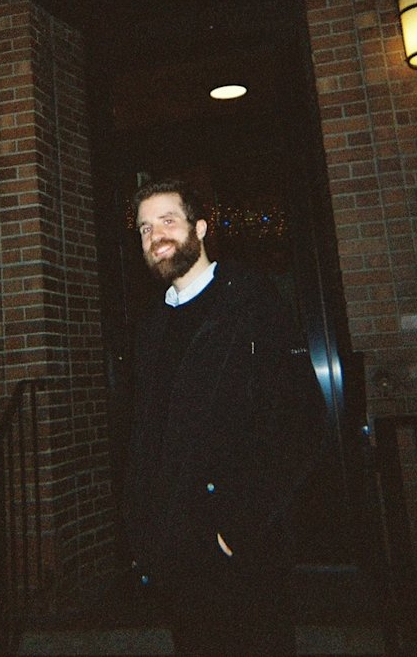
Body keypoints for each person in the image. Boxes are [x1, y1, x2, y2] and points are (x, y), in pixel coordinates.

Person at [123, 179, 328, 655]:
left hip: (240, 552)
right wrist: (143, 524)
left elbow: (301, 418)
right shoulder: (151, 326)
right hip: (175, 550)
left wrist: (240, 525)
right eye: (144, 228)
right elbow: (147, 436)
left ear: (199, 227)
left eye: (168, 221)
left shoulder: (252, 302)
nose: (156, 237)